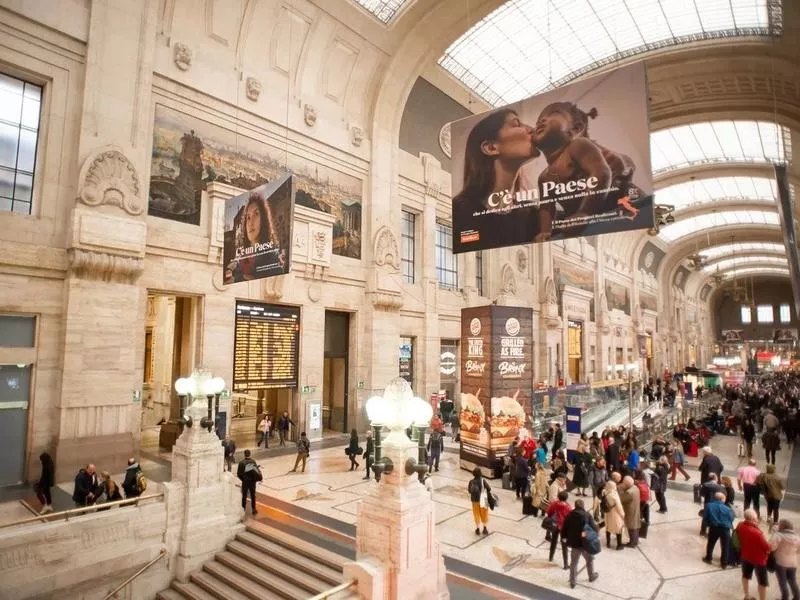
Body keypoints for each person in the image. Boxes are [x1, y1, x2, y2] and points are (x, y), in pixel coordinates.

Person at [451, 109, 540, 253]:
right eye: (516, 124)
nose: (531, 130)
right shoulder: (460, 211)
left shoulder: (533, 215)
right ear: (491, 147)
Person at [224, 192, 284, 283]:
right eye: (248, 217)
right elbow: (233, 267)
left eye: (256, 214)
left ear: (263, 219)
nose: (251, 223)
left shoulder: (272, 256)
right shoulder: (242, 255)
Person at [561, 498, 600, 589]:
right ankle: (591, 576)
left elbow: (564, 528)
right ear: (583, 506)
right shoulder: (587, 515)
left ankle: (573, 582)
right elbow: (594, 528)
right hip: (585, 542)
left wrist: (563, 537)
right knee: (589, 560)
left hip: (574, 543)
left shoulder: (569, 515)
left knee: (574, 563)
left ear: (575, 505)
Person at [737, 509, 771, 600]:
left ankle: (746, 595)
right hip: (759, 560)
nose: (757, 519)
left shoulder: (740, 525)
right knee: (762, 582)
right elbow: (768, 548)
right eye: (756, 517)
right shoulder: (758, 533)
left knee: (745, 576)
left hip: (745, 556)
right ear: (753, 518)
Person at [702, 491, 735, 568]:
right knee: (725, 546)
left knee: (711, 544)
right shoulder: (728, 509)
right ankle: (724, 563)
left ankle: (708, 558)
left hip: (714, 528)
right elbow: (731, 518)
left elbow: (705, 517)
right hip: (725, 529)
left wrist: (707, 525)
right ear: (722, 499)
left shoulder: (708, 505)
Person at [770, 519, 800, 600]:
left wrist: (774, 533)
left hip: (780, 562)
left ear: (782, 527)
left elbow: (771, 548)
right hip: (793, 563)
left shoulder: (778, 535)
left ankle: (785, 598)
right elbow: (799, 550)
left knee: (782, 582)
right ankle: (796, 597)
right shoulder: (797, 537)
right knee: (792, 581)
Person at [546, 490, 572, 569]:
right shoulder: (568, 506)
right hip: (563, 527)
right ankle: (565, 564)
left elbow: (549, 512)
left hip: (555, 525)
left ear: (558, 497)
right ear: (566, 498)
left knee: (553, 541)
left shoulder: (554, 504)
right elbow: (569, 517)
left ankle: (551, 557)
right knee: (564, 545)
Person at [601, 480, 625, 550]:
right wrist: (623, 514)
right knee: (618, 529)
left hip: (607, 513)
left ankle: (608, 543)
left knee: (608, 528)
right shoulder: (614, 495)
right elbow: (619, 507)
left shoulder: (604, 492)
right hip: (615, 514)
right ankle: (619, 545)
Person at [467, 468, 492, 535]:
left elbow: (469, 491)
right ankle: (485, 528)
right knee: (484, 514)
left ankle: (478, 529)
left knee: (476, 514)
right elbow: (489, 489)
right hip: (483, 500)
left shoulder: (471, 481)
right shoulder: (483, 480)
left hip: (474, 501)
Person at [236, 449, 260, 516]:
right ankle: (254, 509)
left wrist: (243, 479)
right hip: (252, 482)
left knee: (244, 496)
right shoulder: (253, 462)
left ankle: (243, 509)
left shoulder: (241, 463)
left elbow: (239, 474)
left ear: (244, 454)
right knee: (253, 495)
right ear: (250, 454)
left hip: (245, 482)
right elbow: (256, 472)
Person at [620, 476, 641, 548]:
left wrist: (621, 490)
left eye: (623, 483)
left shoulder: (629, 492)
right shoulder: (635, 487)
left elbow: (621, 499)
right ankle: (635, 541)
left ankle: (632, 543)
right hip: (635, 508)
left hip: (630, 511)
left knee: (631, 527)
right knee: (635, 525)